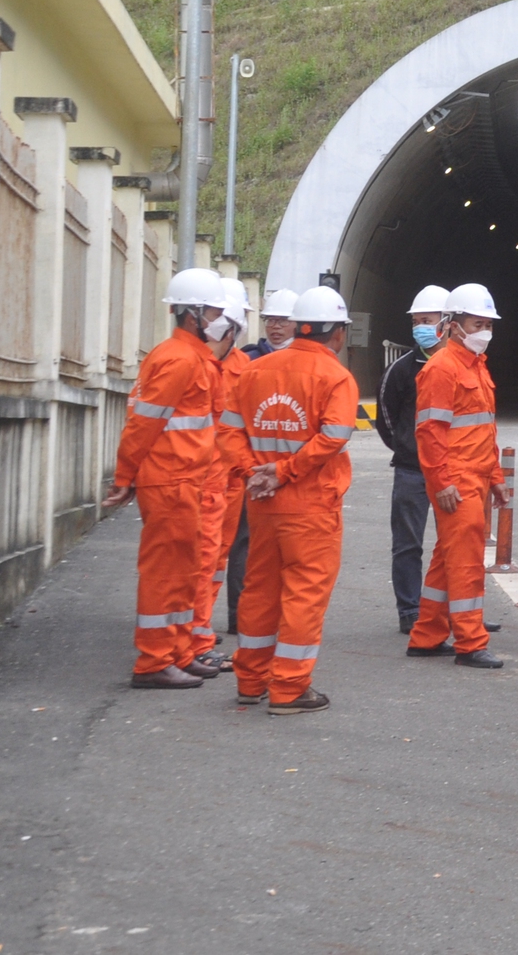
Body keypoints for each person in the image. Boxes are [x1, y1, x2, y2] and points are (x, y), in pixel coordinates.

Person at [229, 285, 361, 714]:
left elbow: (228, 431)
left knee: (260, 590)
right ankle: (288, 687)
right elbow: (334, 436)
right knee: (304, 593)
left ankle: (250, 680)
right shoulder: (336, 377)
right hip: (310, 504)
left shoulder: (254, 370)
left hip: (263, 503)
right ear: (336, 333)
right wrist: (284, 472)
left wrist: (255, 473)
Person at [105, 268, 230, 688]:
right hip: (172, 480)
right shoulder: (179, 360)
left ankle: (177, 651)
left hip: (183, 480)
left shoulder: (190, 357)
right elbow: (142, 425)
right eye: (214, 310)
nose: (221, 317)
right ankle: (154, 661)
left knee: (183, 571)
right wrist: (124, 477)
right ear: (193, 314)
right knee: (166, 572)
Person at [408, 283, 509, 669]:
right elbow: (429, 432)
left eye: (488, 323)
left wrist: (495, 475)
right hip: (457, 480)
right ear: (453, 326)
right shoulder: (441, 369)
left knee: (445, 558)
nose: (484, 330)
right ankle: (470, 642)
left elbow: (484, 428)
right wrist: (442, 482)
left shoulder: (476, 366)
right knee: (466, 562)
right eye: (477, 323)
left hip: (476, 477)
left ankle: (427, 635)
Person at [218, 287, 296, 640]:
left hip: (293, 471)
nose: (275, 327)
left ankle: (277, 614)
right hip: (255, 468)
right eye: (270, 320)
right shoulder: (248, 361)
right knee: (245, 544)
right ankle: (240, 614)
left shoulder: (307, 363)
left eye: (283, 320)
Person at [372, 285, 451, 632]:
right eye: (417, 320)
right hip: (412, 471)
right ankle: (410, 611)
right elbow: (386, 418)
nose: (420, 326)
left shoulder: (465, 367)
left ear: (447, 322)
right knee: (408, 545)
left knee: (457, 546)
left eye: (427, 320)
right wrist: (407, 448)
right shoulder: (401, 371)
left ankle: (455, 611)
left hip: (453, 471)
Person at [186, 277, 254, 676]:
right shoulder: (194, 365)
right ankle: (192, 637)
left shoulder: (242, 367)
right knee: (199, 558)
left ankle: (198, 632)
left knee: (215, 558)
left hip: (228, 479)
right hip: (198, 479)